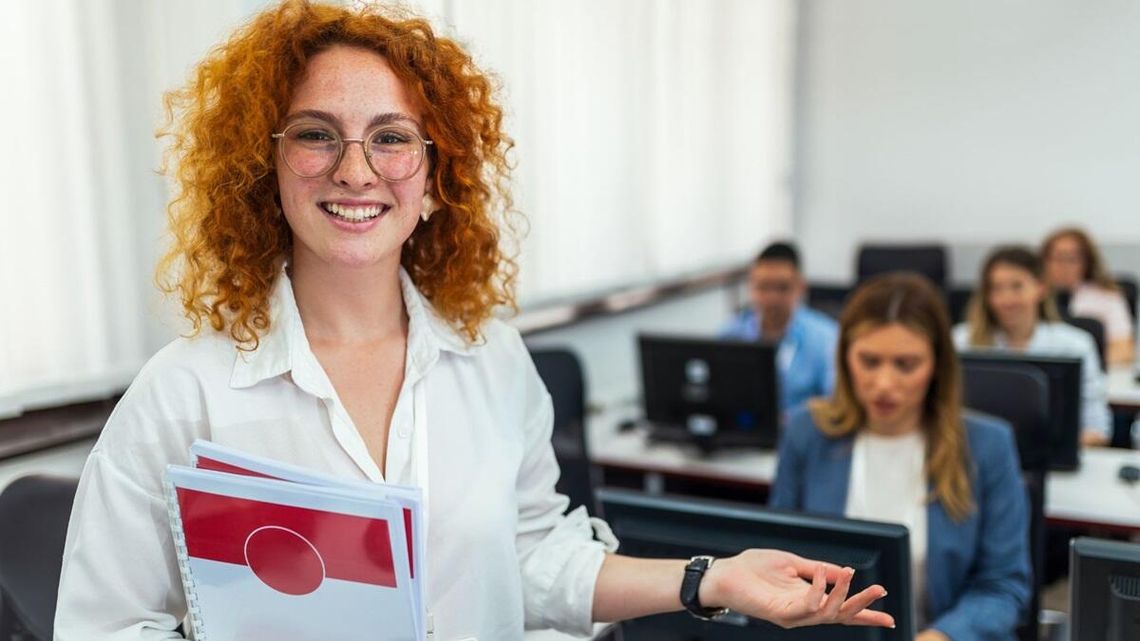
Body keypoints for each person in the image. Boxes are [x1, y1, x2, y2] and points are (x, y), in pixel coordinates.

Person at [53, 2, 894, 639]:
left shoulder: (489, 358)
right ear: (264, 170)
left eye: (391, 138)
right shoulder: (184, 393)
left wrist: (710, 579)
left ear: (431, 177)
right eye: (316, 135)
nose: (355, 170)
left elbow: (532, 557)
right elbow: (99, 625)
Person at [771, 273, 1031, 641]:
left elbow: (1004, 587)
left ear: (937, 365)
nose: (884, 384)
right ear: (845, 358)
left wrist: (941, 636)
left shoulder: (987, 445)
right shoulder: (807, 433)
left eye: (905, 365)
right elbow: (781, 563)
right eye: (869, 361)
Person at [953, 246, 1112, 446]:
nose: (1006, 299)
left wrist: (1066, 447)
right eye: (996, 288)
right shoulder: (961, 342)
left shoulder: (1075, 345)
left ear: (1041, 288)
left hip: (1055, 463)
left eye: (1017, 286)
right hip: (978, 456)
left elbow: (1097, 426)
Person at [720, 242, 838, 413]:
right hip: (744, 430)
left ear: (800, 287)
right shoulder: (730, 334)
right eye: (763, 287)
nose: (772, 298)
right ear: (751, 287)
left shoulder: (827, 338)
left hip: (803, 433)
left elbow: (835, 403)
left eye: (782, 288)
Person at [1041, 226, 1134, 366]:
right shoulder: (1032, 296)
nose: (1063, 266)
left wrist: (1088, 364)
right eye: (1057, 258)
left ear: (1087, 262)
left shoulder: (1106, 296)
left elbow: (1123, 349)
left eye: (1072, 259)